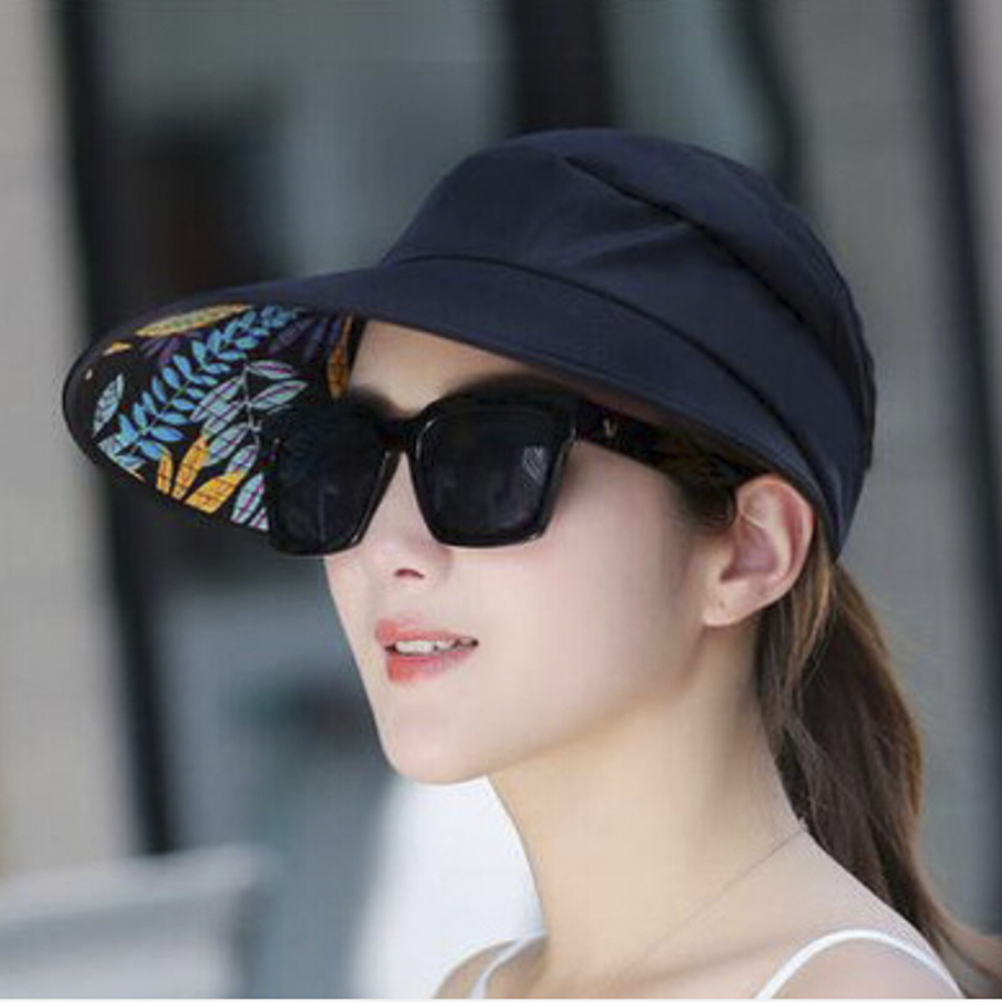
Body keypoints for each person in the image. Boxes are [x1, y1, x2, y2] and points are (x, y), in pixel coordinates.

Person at [62, 128, 1001, 997]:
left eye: (489, 459)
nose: (384, 547)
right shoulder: (476, 987)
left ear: (749, 552)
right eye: (340, 462)